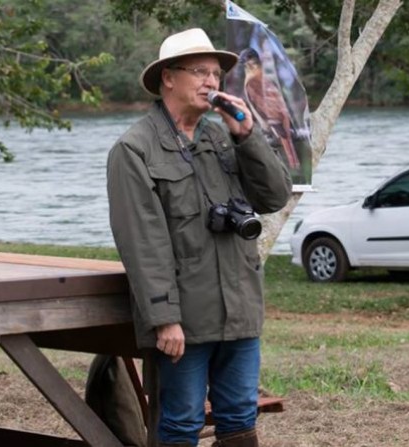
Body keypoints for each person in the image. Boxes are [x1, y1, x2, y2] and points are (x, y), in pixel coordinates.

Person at [106, 28, 292, 447]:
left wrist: (248, 137)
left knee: (240, 418)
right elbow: (142, 243)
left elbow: (275, 196)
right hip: (184, 321)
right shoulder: (133, 149)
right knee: (180, 423)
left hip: (240, 309)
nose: (212, 82)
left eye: (216, 74)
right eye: (200, 72)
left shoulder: (223, 135)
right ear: (168, 78)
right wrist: (164, 319)